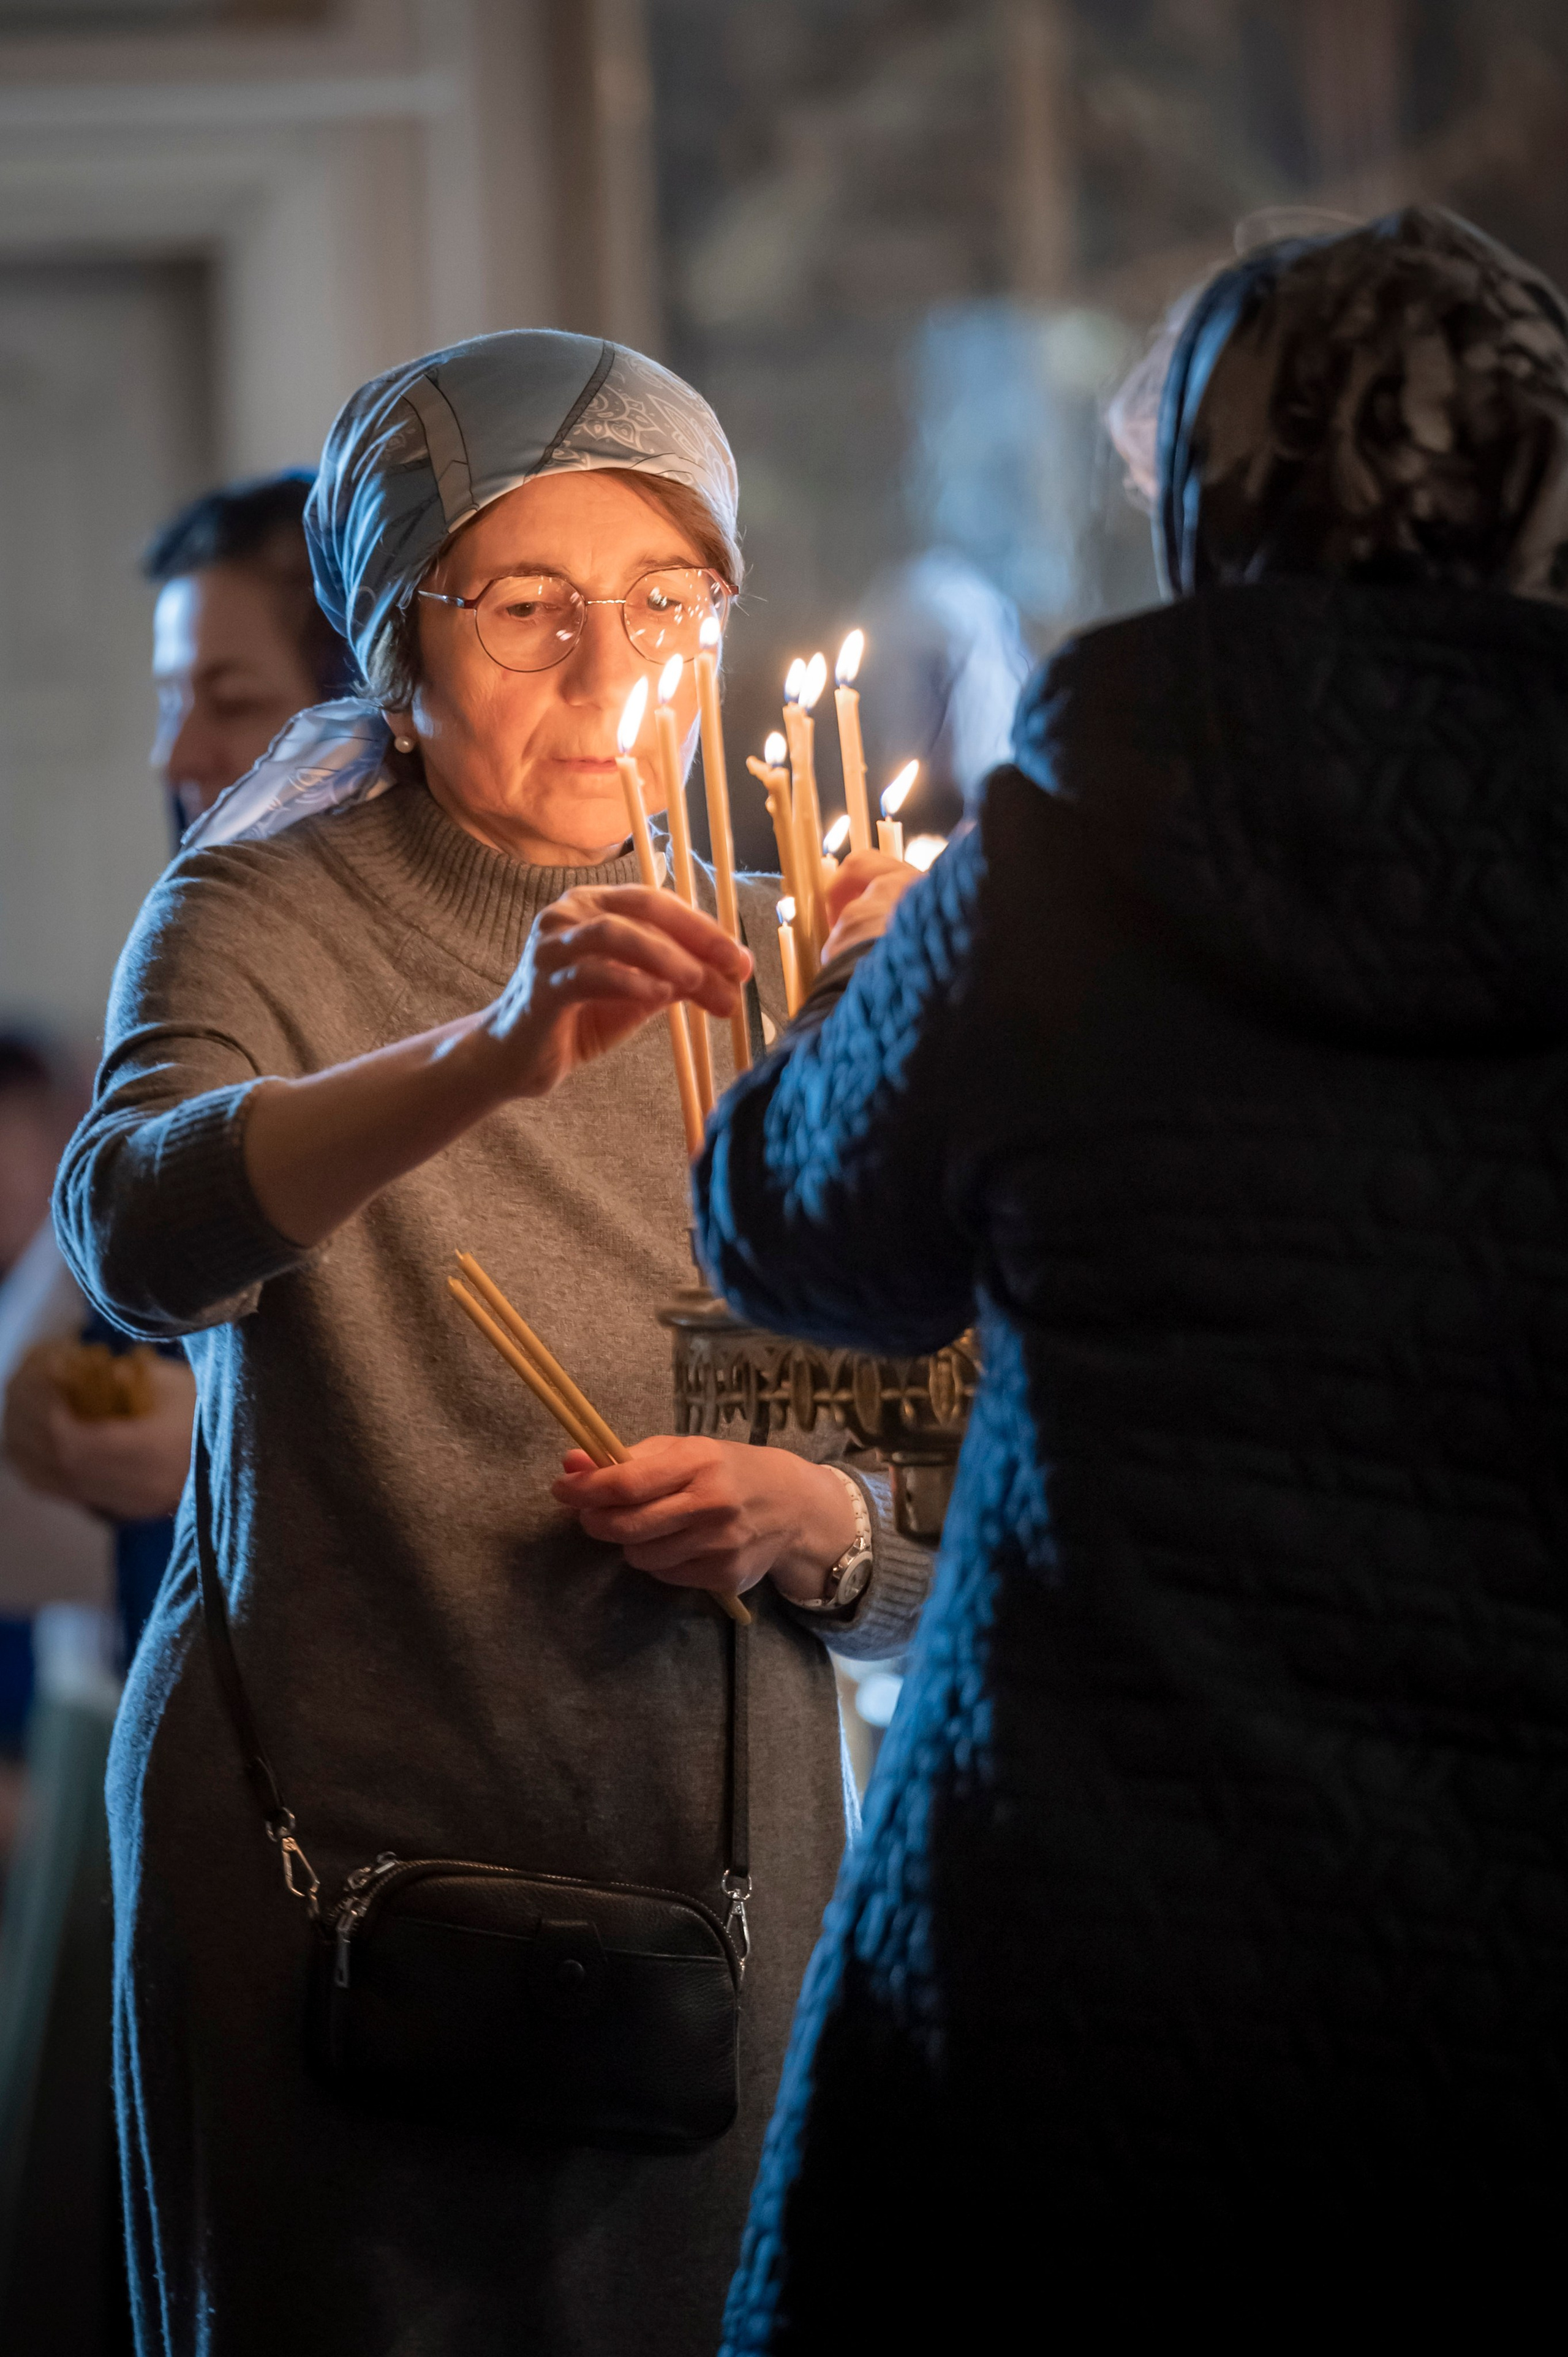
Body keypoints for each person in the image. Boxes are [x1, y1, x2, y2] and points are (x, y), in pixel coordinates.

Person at [696, 206, 1568, 2339]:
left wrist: (864, 992)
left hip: (1088, 1918)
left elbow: (792, 1234)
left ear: (1204, 486)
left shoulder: (1062, 862)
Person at [54, 330, 931, 2357]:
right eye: (529, 605)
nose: (607, 672)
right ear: (396, 627)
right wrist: (491, 1050)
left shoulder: (791, 938)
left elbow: (950, 1481)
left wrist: (815, 1512)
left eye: (662, 606)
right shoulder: (258, 917)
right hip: (332, 1860)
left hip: (712, 1864)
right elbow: (136, 1238)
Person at [4, 473, 355, 1659]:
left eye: (230, 698)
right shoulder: (187, 987)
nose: (174, 752)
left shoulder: (448, 1024)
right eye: (167, 698)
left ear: (365, 712)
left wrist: (215, 1447)